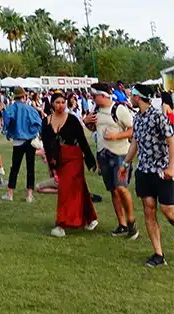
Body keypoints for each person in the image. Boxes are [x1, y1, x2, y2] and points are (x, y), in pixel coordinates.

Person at [120, 84, 174, 267]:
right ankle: (158, 255)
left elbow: (171, 141)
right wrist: (126, 163)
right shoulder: (138, 118)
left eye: (132, 95)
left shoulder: (158, 116)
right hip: (144, 171)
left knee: (168, 210)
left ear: (138, 97)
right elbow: (135, 142)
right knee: (149, 210)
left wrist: (171, 168)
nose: (130, 97)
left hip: (162, 172)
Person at [83, 81, 138, 240]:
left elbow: (133, 130)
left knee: (121, 188)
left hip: (120, 153)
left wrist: (116, 136)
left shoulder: (119, 109)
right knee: (113, 190)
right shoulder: (96, 110)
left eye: (94, 96)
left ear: (103, 96)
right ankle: (121, 224)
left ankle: (131, 222)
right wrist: (88, 123)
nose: (92, 99)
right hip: (103, 153)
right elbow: (95, 129)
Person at [42, 92, 98, 238]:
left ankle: (62, 224)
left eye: (63, 102)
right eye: (57, 102)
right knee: (79, 188)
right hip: (59, 159)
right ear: (52, 104)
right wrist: (50, 163)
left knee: (65, 189)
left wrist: (90, 160)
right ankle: (90, 218)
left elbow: (82, 140)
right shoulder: (46, 121)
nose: (61, 105)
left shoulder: (72, 119)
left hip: (74, 157)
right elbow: (47, 145)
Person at [1, 87, 42, 203]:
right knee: (30, 168)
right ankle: (29, 195)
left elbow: (6, 123)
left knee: (15, 168)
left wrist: (9, 131)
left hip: (18, 141)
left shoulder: (10, 109)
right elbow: (38, 123)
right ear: (24, 97)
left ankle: (10, 193)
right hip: (30, 141)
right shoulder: (30, 109)